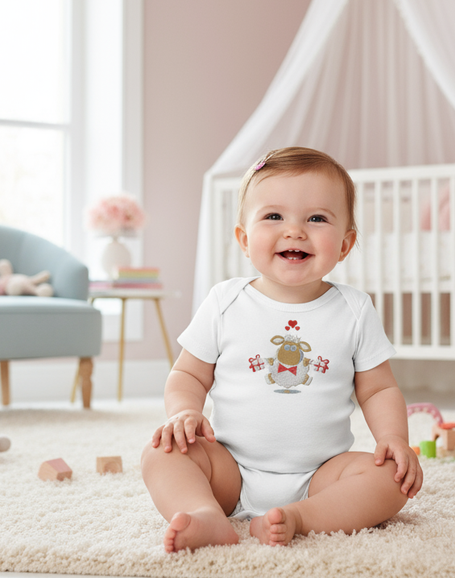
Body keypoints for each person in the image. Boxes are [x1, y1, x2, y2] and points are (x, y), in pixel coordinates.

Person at [141, 147, 423, 552]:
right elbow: (188, 374)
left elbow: (378, 389)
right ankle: (204, 513)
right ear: (244, 239)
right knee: (161, 453)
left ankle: (301, 517)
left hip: (322, 475)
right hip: (229, 468)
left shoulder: (354, 309)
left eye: (316, 218)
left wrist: (394, 437)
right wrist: (184, 412)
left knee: (392, 479)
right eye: (274, 216)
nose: (295, 231)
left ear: (345, 245)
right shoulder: (225, 302)